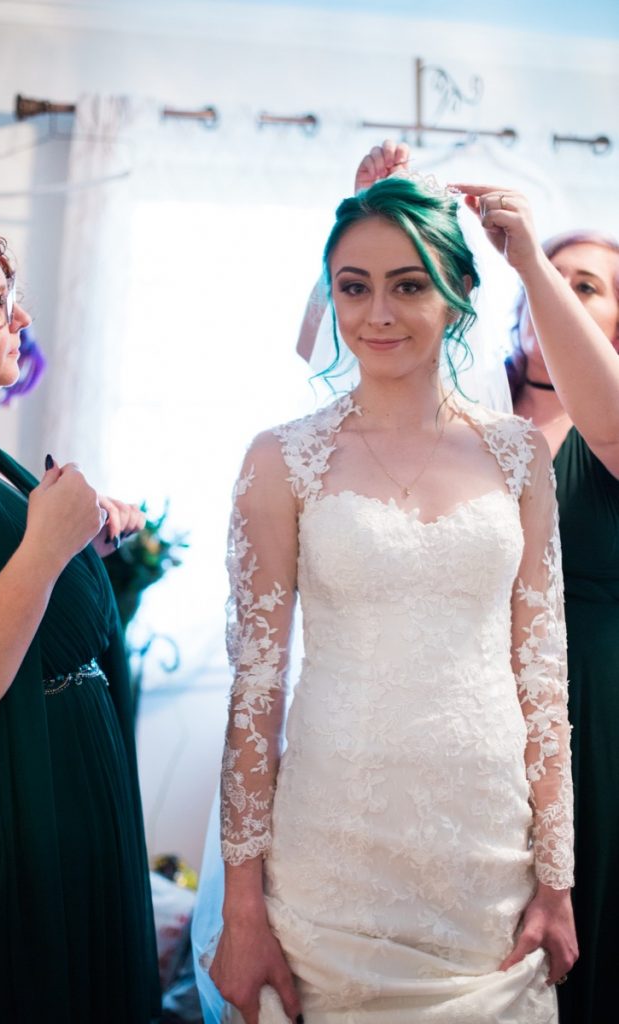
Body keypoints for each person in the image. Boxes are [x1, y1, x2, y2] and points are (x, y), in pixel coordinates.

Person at [208, 170, 578, 1023]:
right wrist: (240, 904)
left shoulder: (520, 456)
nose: (377, 313)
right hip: (330, 854)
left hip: (483, 859)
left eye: (407, 285)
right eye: (354, 287)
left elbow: (542, 677)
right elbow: (255, 691)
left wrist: (554, 878)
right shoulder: (281, 458)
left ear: (455, 295)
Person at [358, 142, 619, 1024]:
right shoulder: (474, 420)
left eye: (584, 286)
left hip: (591, 710)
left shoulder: (610, 428)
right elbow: (342, 360)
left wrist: (528, 252)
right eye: (550, 279)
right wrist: (379, 216)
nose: (556, 291)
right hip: (468, 716)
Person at [0, 205, 160, 1023]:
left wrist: (77, 546)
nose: (20, 318)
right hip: (4, 817)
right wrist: (45, 548)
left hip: (64, 795)